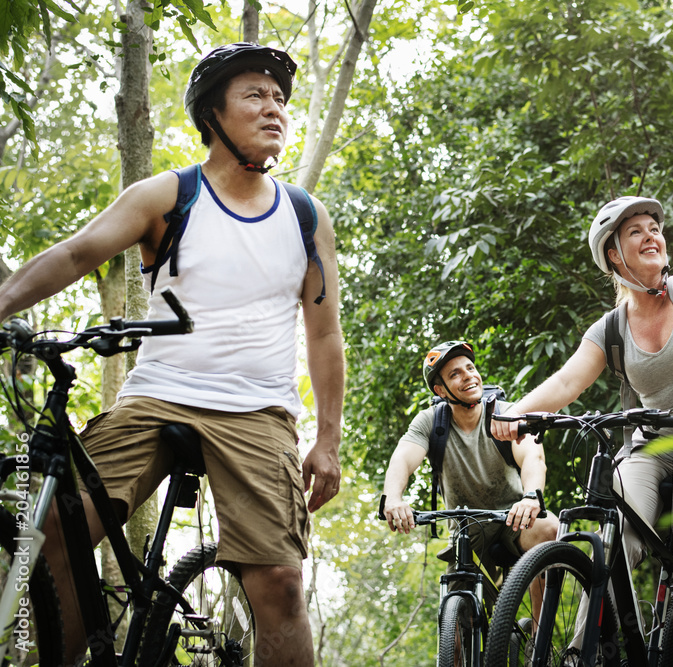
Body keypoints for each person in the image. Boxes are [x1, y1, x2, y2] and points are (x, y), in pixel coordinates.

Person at [0, 43, 344, 666]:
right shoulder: (167, 194)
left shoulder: (303, 215)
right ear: (212, 115)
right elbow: (77, 255)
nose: (276, 110)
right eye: (255, 96)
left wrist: (327, 437)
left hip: (257, 412)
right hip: (157, 394)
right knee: (58, 533)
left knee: (281, 583)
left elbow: (323, 334)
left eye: (280, 100)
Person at [492, 143, 673, 665]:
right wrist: (514, 413)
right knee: (611, 537)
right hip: (653, 449)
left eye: (655, 228)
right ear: (614, 256)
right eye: (636, 231)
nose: (652, 235)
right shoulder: (612, 327)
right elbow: (568, 380)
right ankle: (584, 654)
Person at [382, 341, 559, 605]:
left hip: (514, 518)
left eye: (470, 368)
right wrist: (393, 498)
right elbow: (403, 459)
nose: (468, 375)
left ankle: (538, 639)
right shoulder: (431, 423)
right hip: (467, 530)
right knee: (454, 636)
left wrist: (532, 496)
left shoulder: (506, 414)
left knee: (549, 529)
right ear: (440, 390)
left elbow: (533, 456)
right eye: (455, 374)